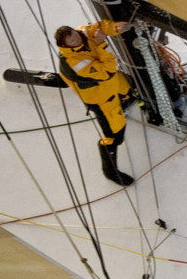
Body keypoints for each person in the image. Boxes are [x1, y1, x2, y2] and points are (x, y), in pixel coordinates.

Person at [54, 19, 135, 186]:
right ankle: (110, 171)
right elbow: (107, 71)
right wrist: (100, 45)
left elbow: (98, 27)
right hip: (102, 98)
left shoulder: (82, 33)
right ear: (65, 45)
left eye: (75, 35)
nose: (77, 39)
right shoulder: (73, 62)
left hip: (114, 84)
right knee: (114, 136)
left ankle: (126, 101)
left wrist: (114, 27)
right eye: (72, 40)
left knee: (130, 92)